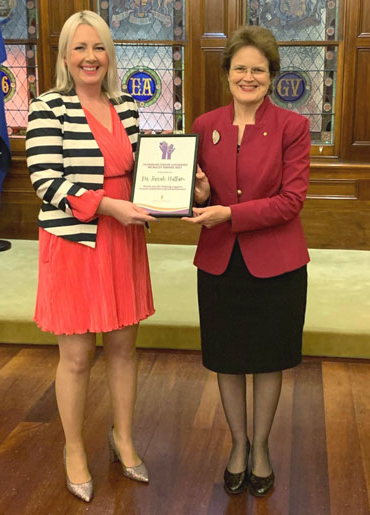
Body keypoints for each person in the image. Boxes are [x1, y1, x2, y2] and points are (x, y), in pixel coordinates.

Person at [26, 10, 156, 502]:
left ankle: (122, 438)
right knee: (77, 357)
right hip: (75, 242)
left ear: (110, 55)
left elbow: (143, 170)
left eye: (98, 47)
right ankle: (74, 448)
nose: (90, 57)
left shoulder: (125, 107)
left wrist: (187, 187)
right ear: (64, 56)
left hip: (124, 241)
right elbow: (45, 179)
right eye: (79, 48)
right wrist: (108, 206)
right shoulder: (46, 107)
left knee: (123, 347)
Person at [183, 25, 310, 497]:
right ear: (227, 73)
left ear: (272, 76)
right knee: (229, 361)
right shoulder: (203, 125)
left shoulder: (292, 128)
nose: (249, 77)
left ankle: (261, 448)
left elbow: (290, 201)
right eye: (241, 68)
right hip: (218, 262)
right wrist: (197, 195)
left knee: (267, 359)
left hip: (276, 265)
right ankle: (238, 445)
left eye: (259, 69)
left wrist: (228, 213)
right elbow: (201, 194)